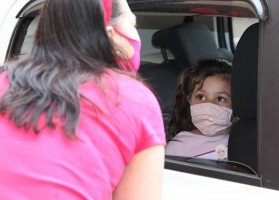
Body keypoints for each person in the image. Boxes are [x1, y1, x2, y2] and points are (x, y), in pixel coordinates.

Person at [0, 0, 166, 199]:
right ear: (110, 34)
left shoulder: (5, 82)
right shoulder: (134, 100)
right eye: (132, 25)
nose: (135, 36)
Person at [165, 58, 238, 160]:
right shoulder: (177, 147)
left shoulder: (242, 141)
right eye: (201, 97)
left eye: (220, 99)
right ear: (189, 100)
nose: (209, 105)